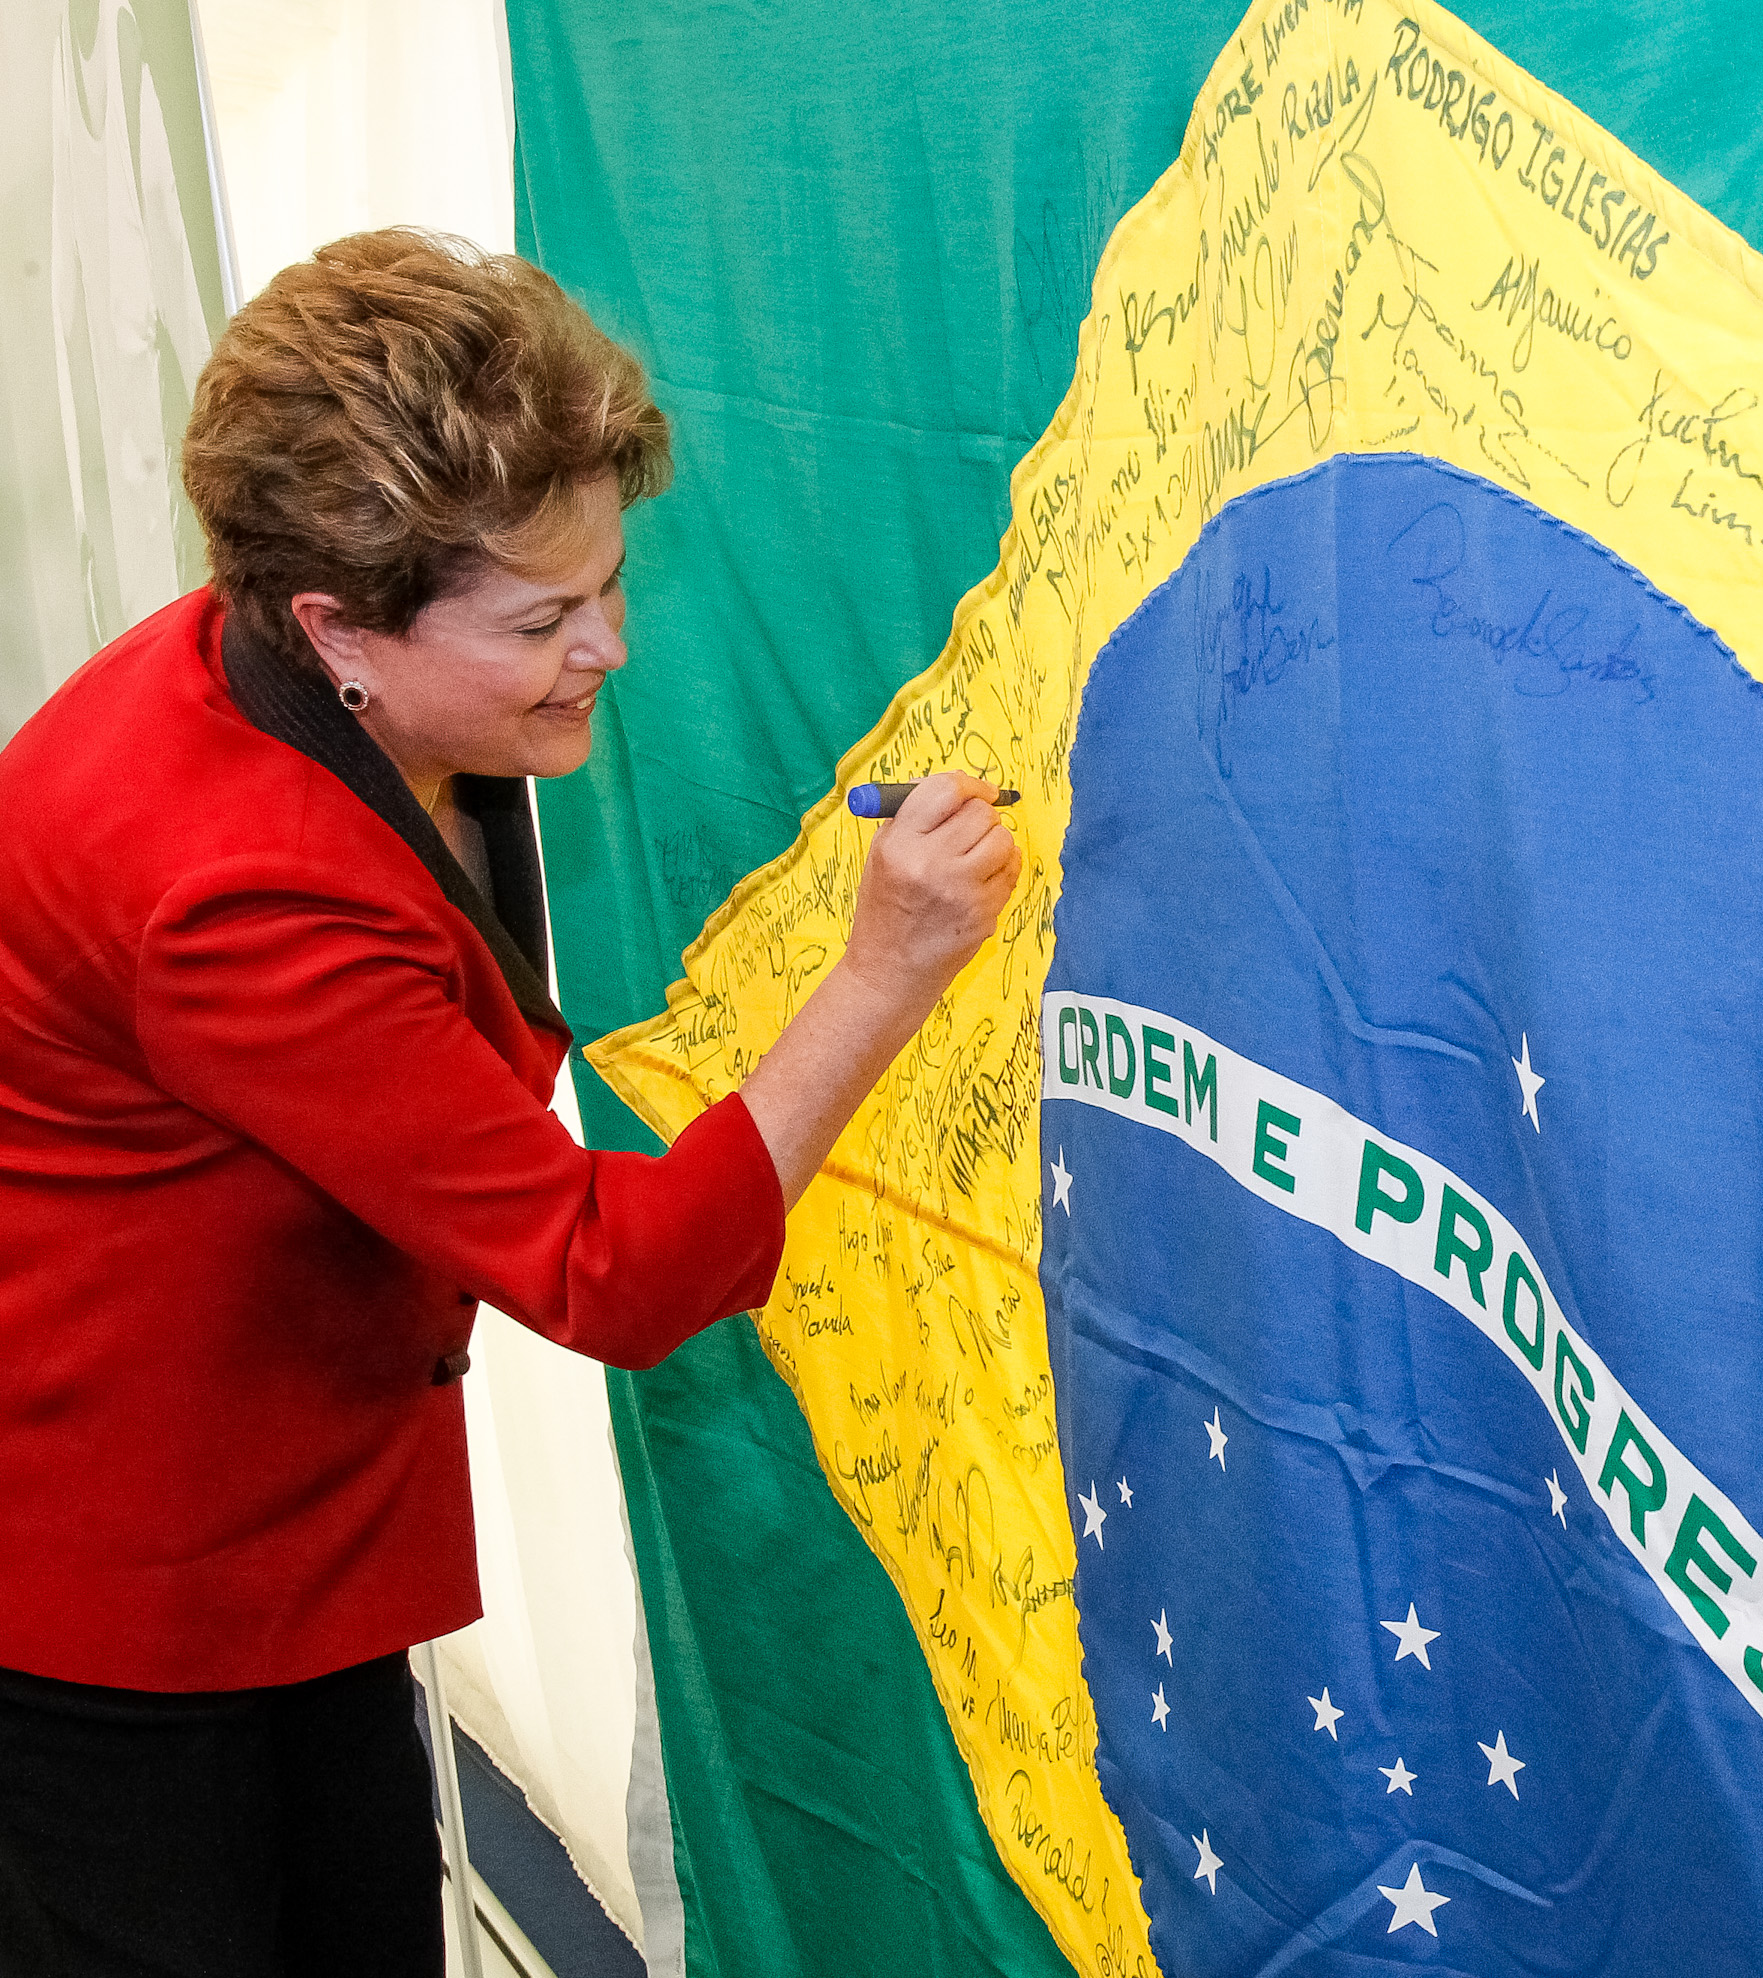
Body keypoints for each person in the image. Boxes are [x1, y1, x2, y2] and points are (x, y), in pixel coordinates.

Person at [0, 228, 1018, 1974]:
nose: (608, 648)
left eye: (610, 584)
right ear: (340, 629)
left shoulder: (313, 676)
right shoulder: (231, 889)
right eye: (545, 619)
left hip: (279, 1528)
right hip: (122, 1614)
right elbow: (609, 1274)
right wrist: (881, 972)